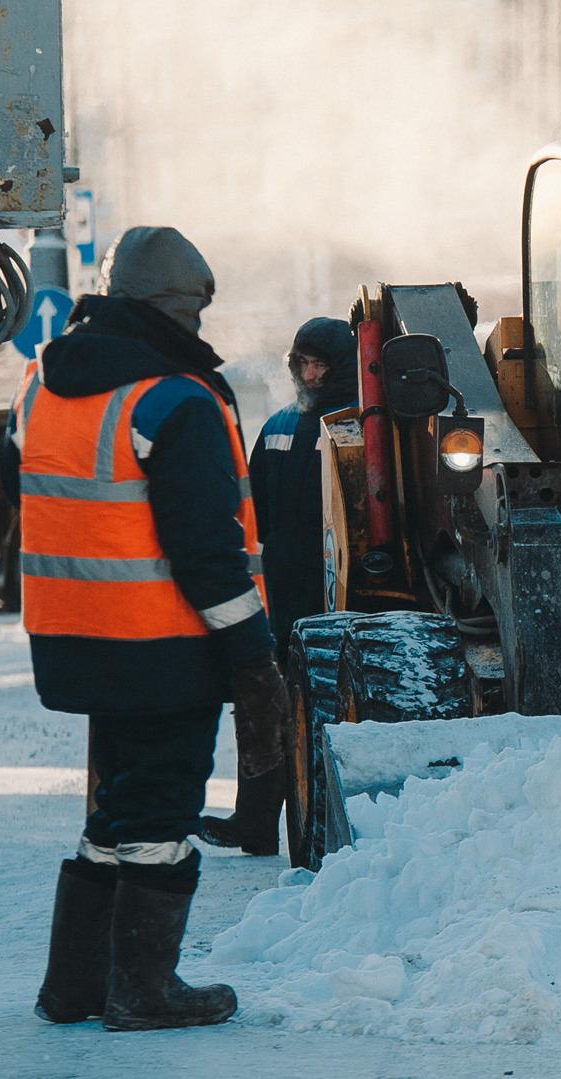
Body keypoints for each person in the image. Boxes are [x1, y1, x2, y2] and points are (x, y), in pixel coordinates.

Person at [2, 226, 289, 1031]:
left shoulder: (41, 386)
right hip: (161, 645)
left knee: (116, 812)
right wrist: (252, 653)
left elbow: (19, 485)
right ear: (176, 304)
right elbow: (207, 550)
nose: (201, 324)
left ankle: (75, 986)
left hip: (70, 640)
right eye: (197, 307)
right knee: (161, 812)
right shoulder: (175, 400)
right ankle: (143, 991)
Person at [198, 317, 360, 855]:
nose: (311, 375)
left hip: (339, 600)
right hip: (281, 597)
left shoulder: (362, 429)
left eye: (321, 365)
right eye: (303, 365)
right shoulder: (277, 429)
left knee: (319, 715)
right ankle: (255, 823)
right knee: (264, 710)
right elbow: (252, 517)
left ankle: (327, 821)